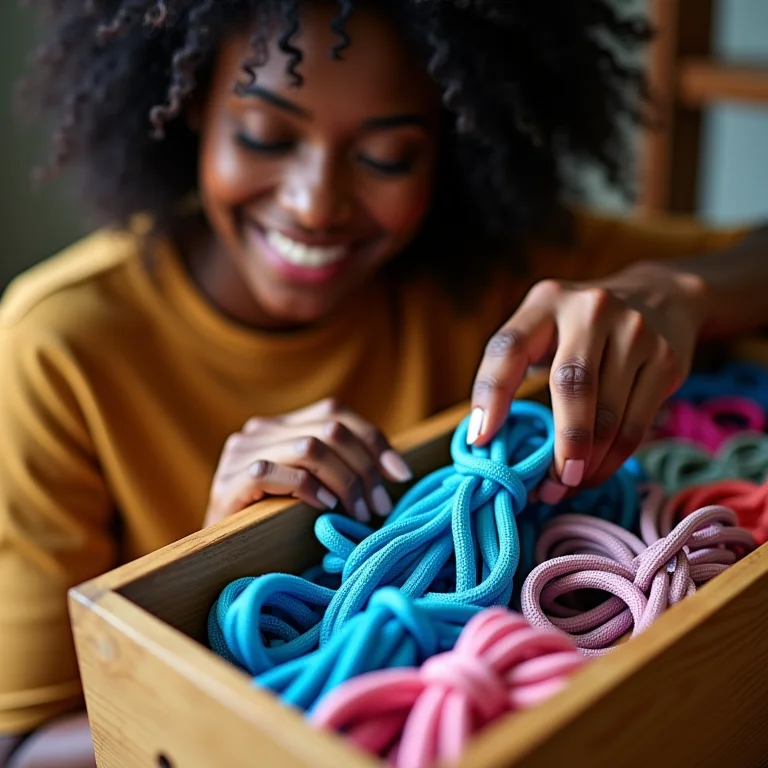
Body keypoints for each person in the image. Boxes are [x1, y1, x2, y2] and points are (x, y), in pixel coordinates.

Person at [1, 1, 767, 765]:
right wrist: (210, 586)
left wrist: (678, 291)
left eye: (387, 156)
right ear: (191, 105)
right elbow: (25, 745)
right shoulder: (59, 346)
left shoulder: (495, 267)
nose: (314, 204)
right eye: (265, 136)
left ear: (451, 145)